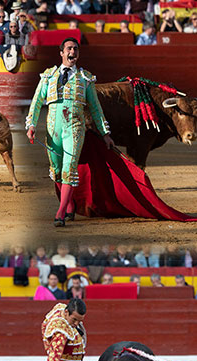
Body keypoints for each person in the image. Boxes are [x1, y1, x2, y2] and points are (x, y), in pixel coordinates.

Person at [26, 37, 113, 225]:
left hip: (74, 128)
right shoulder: (48, 76)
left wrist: (105, 133)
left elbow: (96, 108)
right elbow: (36, 101)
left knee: (69, 169)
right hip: (52, 129)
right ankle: (69, 206)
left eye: (75, 49)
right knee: (56, 170)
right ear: (62, 53)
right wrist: (31, 124)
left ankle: (60, 212)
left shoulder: (85, 79)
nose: (72, 52)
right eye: (69, 49)